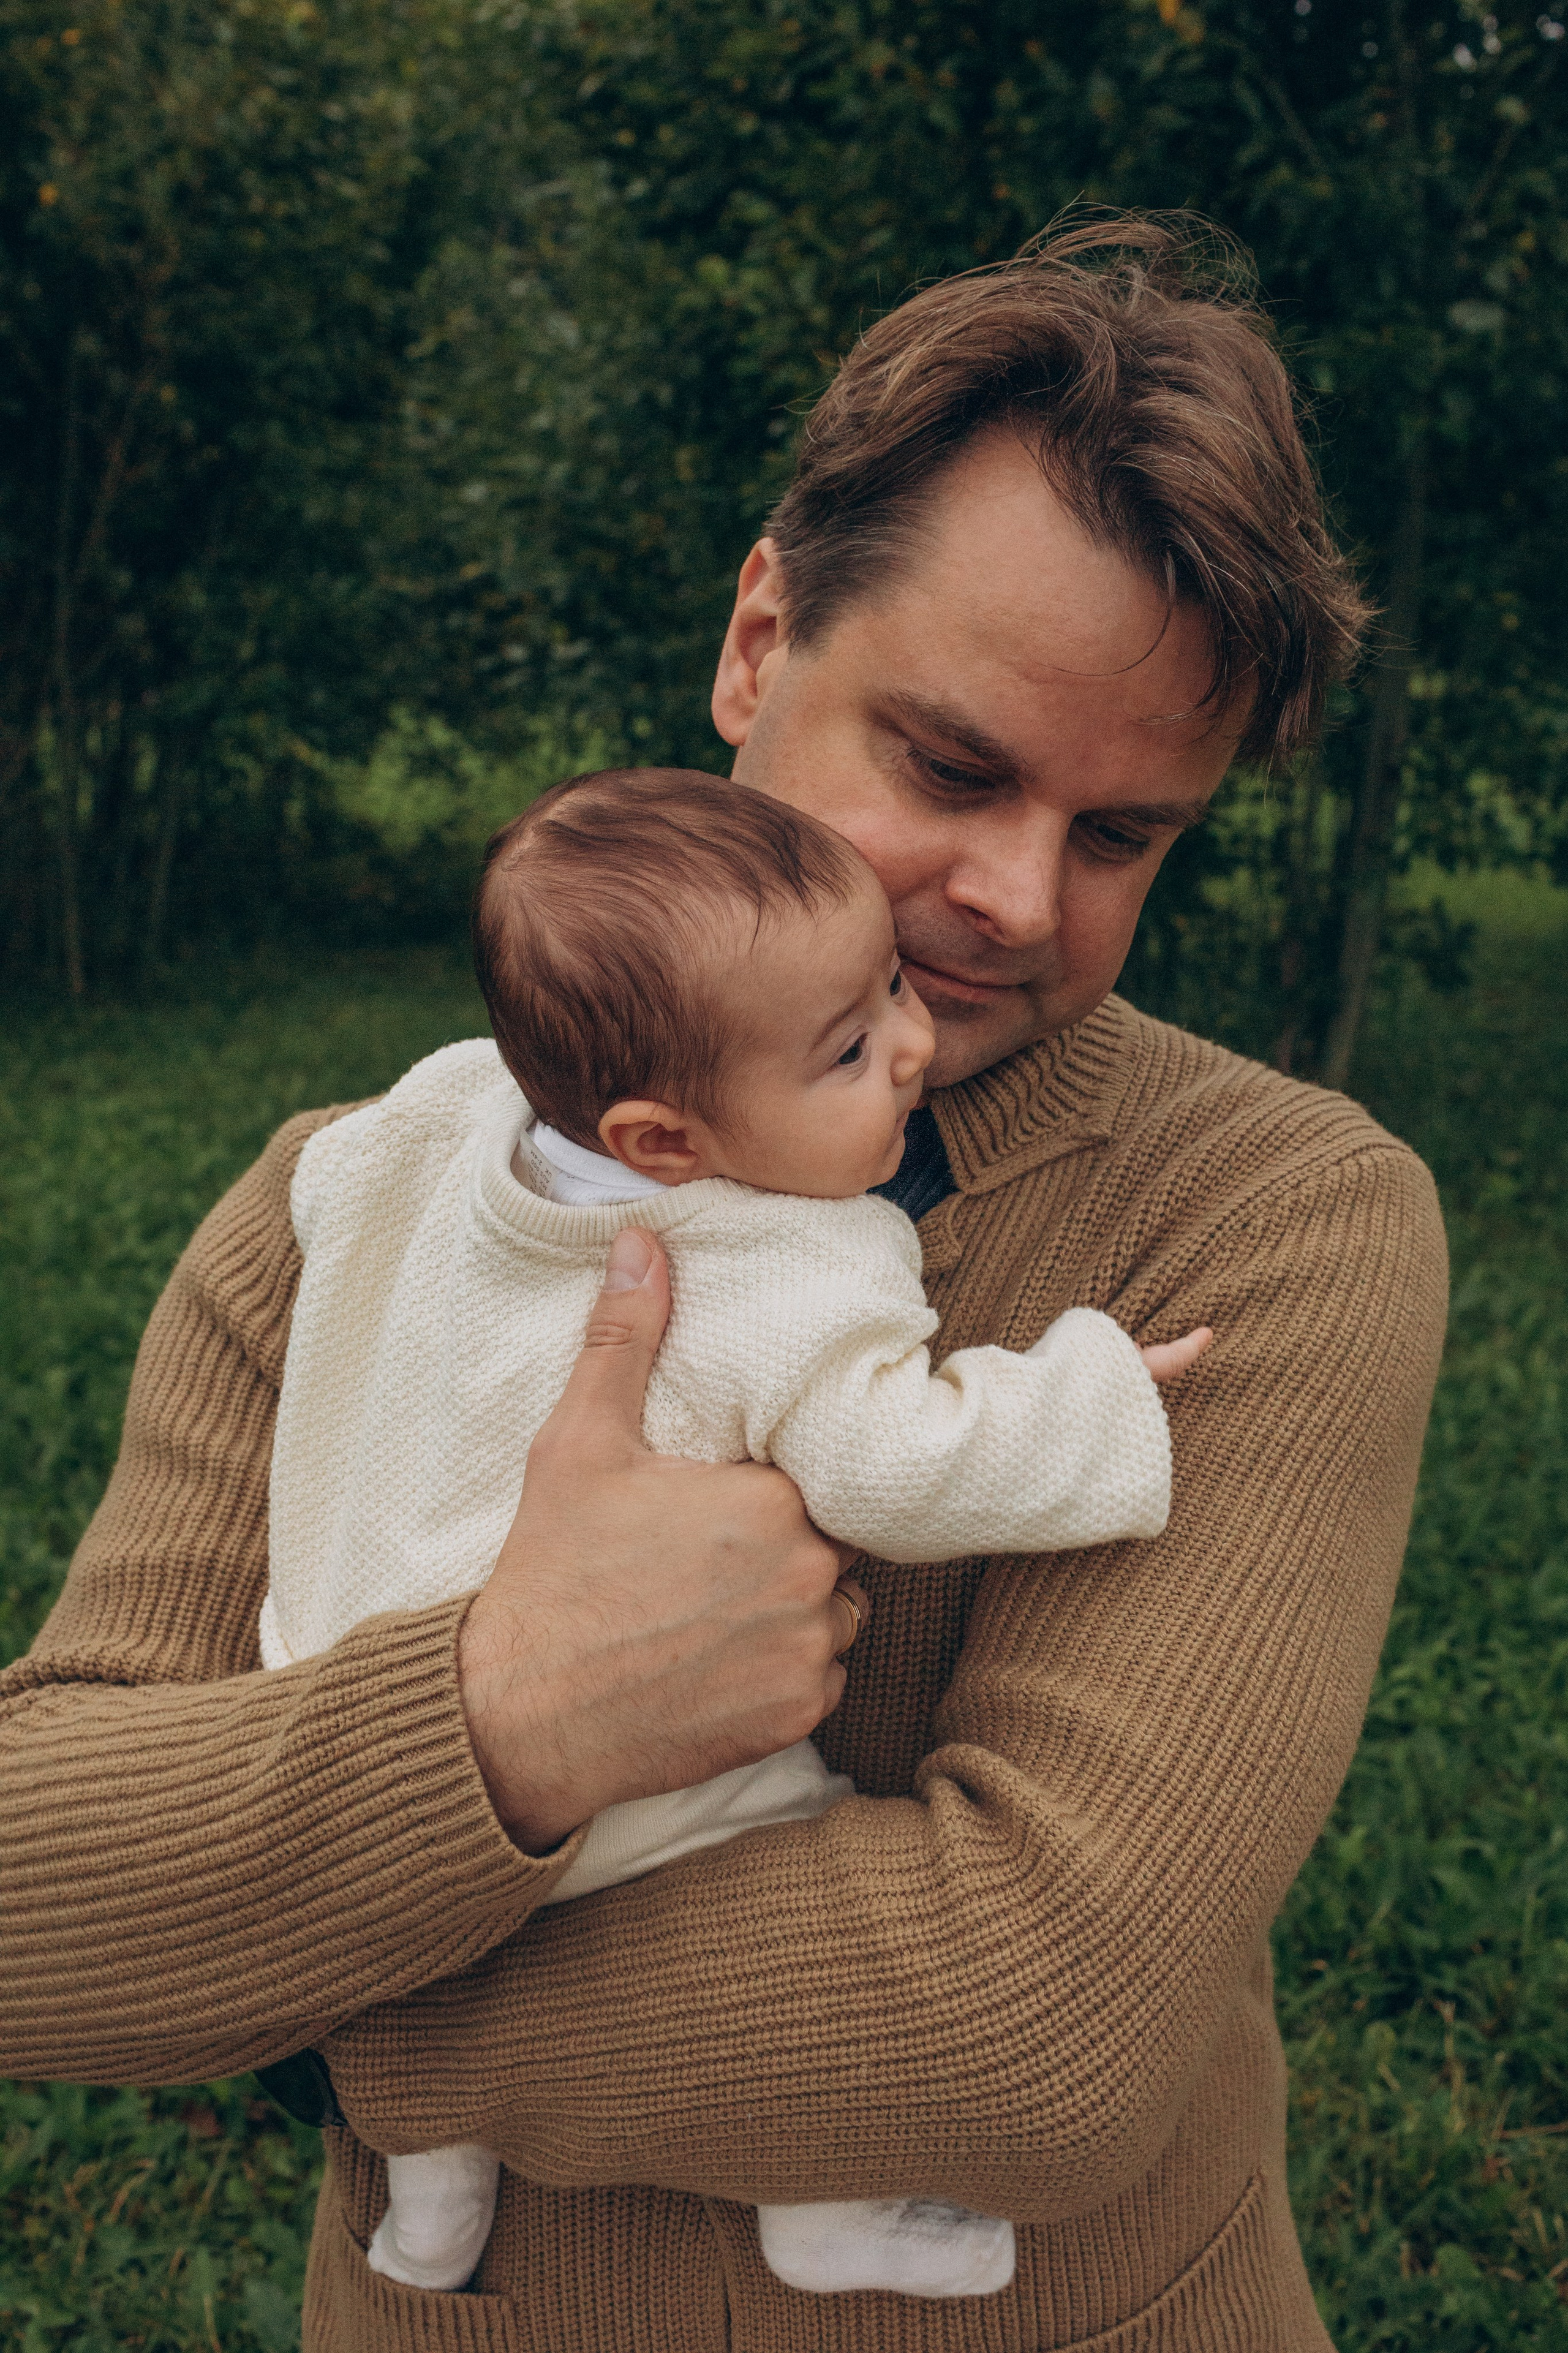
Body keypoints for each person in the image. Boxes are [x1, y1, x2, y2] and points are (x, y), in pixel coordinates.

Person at [0, 215, 1447, 2353]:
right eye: (950, 767)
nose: (1016, 899)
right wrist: (507, 1720)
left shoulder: (1278, 1219)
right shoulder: (350, 1200)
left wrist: (321, 2003)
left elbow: (1030, 2032)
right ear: (762, 638)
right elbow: (36, 1900)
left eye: (1126, 833)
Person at [270, 767, 1210, 2300]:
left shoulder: (440, 1129)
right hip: (617, 1810)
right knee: (789, 1830)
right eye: (849, 1047)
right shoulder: (770, 1256)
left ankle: (431, 2195)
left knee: (441, 1962)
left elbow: (330, 1183)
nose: (909, 1042)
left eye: (888, 990)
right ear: (660, 1141)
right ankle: (821, 2205)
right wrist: (1095, 1391)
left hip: (334, 1696)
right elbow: (901, 1460)